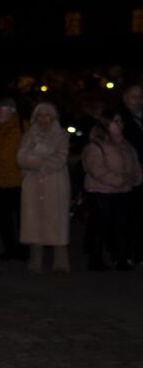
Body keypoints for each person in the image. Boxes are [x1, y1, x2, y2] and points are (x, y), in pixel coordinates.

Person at [82, 110, 143, 271]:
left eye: (120, 121)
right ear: (106, 124)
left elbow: (135, 164)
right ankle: (95, 259)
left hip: (123, 191)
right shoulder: (96, 146)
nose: (120, 125)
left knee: (121, 226)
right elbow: (96, 169)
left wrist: (135, 178)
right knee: (100, 226)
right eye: (116, 121)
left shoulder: (126, 144)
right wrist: (118, 180)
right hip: (101, 191)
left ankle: (121, 258)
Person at [16, 103, 71, 273]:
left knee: (56, 218)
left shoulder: (61, 135)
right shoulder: (29, 135)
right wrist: (41, 161)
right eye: (40, 115)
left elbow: (60, 158)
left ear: (53, 117)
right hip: (32, 183)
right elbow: (21, 158)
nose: (43, 119)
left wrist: (36, 161)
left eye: (47, 115)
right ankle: (35, 259)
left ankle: (61, 261)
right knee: (33, 218)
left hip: (55, 182)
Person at [0, 98, 27, 261]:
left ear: (12, 109)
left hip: (17, 180)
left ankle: (25, 249)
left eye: (0, 108)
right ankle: (10, 248)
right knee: (3, 217)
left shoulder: (21, 126)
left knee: (21, 217)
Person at [117, 84, 143, 263]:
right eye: (134, 96)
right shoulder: (120, 118)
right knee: (129, 215)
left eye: (141, 96)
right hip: (129, 171)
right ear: (125, 98)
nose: (139, 100)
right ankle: (127, 253)